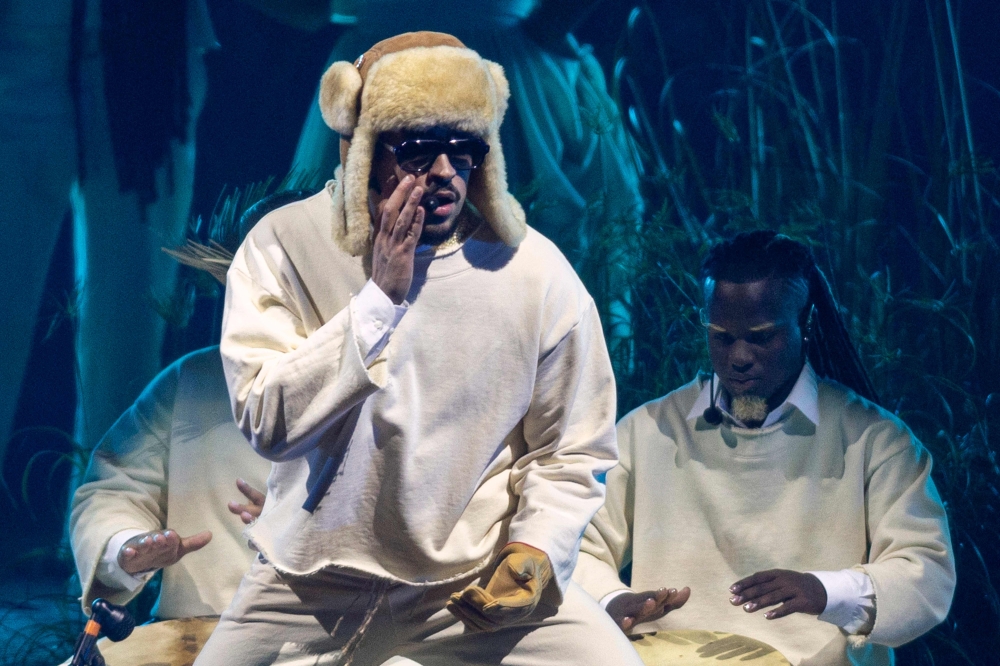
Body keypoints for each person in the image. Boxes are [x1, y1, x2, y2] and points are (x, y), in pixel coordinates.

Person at [195, 31, 642, 666]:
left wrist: (536, 549)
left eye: (463, 151)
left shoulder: (535, 272)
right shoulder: (282, 244)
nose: (442, 173)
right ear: (361, 149)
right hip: (310, 582)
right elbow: (268, 421)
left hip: (474, 580)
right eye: (417, 150)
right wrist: (379, 299)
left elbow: (573, 447)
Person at [573, 231, 956, 665]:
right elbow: (577, 545)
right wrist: (610, 599)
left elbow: (927, 574)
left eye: (760, 337)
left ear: (805, 323)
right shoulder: (649, 431)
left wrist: (825, 591)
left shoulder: (875, 440)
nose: (738, 356)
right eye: (721, 336)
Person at [66, 190, 305, 620]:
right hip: (191, 639)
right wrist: (126, 547)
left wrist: (314, 527)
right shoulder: (193, 378)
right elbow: (113, 488)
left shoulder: (379, 378)